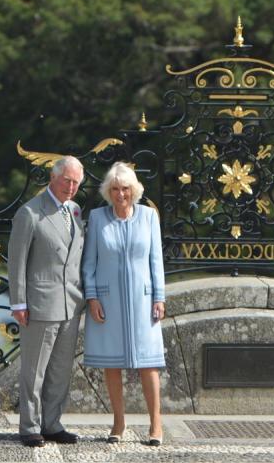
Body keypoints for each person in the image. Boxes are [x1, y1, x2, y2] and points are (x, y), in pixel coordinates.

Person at [82, 161, 166, 446]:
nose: (120, 194)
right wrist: (92, 296)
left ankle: (156, 424)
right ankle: (118, 422)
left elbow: (157, 260)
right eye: (115, 189)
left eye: (125, 189)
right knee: (112, 363)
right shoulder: (97, 218)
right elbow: (89, 263)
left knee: (149, 363)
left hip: (143, 300)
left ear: (134, 190)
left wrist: (160, 296)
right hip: (107, 300)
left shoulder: (148, 217)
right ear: (108, 191)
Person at [7, 155, 86, 448]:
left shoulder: (75, 210)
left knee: (61, 370)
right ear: (52, 177)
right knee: (34, 371)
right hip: (40, 303)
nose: (71, 187)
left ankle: (52, 424)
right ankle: (30, 426)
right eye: (67, 180)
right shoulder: (30, 213)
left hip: (70, 304)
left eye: (76, 182)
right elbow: (17, 262)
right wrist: (18, 303)